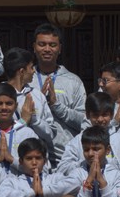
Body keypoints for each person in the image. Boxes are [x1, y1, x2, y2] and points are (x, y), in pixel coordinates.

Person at [31, 23, 88, 161]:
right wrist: (38, 102)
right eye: (42, 44)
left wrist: (56, 105)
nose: (47, 49)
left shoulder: (73, 81)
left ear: (60, 49)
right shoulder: (26, 79)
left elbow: (84, 121)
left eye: (52, 45)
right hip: (32, 157)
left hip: (65, 157)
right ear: (34, 47)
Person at [57, 92, 120, 180]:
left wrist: (107, 163)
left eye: (104, 115)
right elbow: (62, 168)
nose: (100, 119)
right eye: (96, 115)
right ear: (88, 115)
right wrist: (86, 164)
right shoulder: (77, 141)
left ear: (111, 115)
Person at [4, 47, 56, 156]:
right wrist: (22, 122)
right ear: (22, 72)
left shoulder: (37, 95)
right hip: (10, 158)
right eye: (31, 67)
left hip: (37, 159)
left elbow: (51, 133)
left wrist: (35, 120)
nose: (34, 71)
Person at [0, 83, 40, 169]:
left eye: (9, 103)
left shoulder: (27, 133)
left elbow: (41, 168)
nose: (4, 107)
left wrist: (11, 159)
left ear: (16, 106)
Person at [97, 60, 120, 127]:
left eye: (105, 81)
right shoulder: (96, 103)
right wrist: (114, 123)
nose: (100, 84)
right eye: (100, 80)